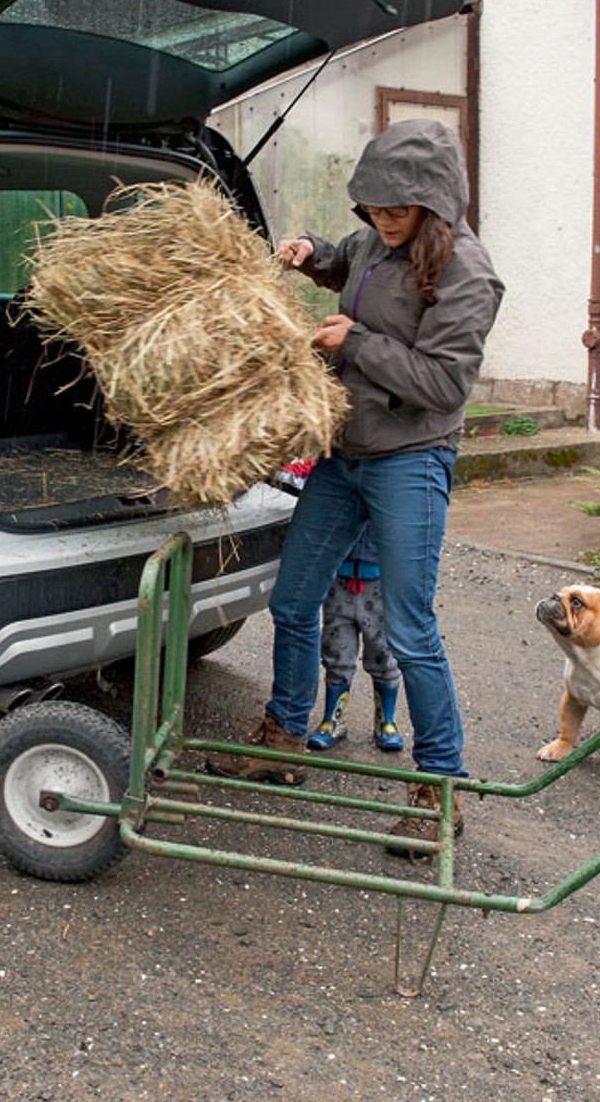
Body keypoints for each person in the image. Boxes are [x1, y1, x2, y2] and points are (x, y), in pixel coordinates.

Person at [206, 119, 505, 860]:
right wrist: (314, 255)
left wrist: (355, 344)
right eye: (371, 208)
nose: (382, 221)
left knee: (409, 628)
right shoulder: (377, 239)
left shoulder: (468, 273)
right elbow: (353, 263)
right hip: (346, 452)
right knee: (294, 597)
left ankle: (438, 790)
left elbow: (442, 383)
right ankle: (285, 737)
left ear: (436, 201)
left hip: (412, 457)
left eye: (397, 210)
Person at [308, 524, 405, 754]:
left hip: (381, 581)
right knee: (336, 649)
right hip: (338, 577)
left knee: (383, 650)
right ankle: (334, 719)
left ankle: (386, 721)